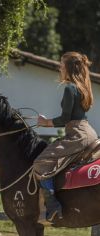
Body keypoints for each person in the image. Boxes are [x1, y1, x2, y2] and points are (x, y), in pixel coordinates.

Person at [33, 51, 98, 223]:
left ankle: (53, 206)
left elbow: (65, 119)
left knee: (40, 163)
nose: (59, 67)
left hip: (77, 134)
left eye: (61, 64)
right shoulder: (83, 87)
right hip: (88, 132)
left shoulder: (69, 88)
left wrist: (44, 122)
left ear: (68, 67)